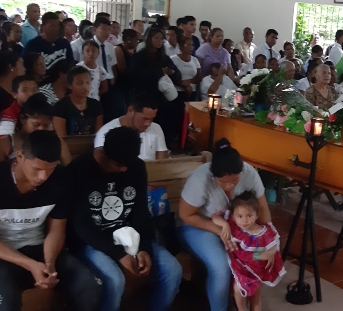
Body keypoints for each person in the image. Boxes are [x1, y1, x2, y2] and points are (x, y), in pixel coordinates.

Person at [0, 130, 101, 311]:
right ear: (20, 156)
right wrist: (30, 265)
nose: (43, 177)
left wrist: (48, 266)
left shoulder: (62, 179)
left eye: (50, 169)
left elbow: (56, 229)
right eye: (37, 169)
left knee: (89, 285)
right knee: (5, 302)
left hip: (41, 250)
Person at [70, 126, 181, 311]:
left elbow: (139, 211)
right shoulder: (79, 170)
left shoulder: (135, 166)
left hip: (130, 235)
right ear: (104, 153)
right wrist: (119, 254)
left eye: (127, 165)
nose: (124, 170)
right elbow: (82, 226)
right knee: (115, 279)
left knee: (173, 270)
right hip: (93, 241)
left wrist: (144, 248)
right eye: (118, 165)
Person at [178, 139, 272, 311]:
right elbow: (186, 215)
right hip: (199, 226)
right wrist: (220, 230)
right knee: (221, 266)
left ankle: (251, 304)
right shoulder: (201, 179)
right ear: (213, 175)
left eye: (235, 180)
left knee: (258, 256)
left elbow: (263, 210)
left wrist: (266, 239)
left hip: (238, 228)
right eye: (222, 182)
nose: (229, 186)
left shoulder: (249, 174)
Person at [211, 190, 284, 311]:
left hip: (257, 272)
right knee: (238, 290)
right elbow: (215, 217)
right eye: (240, 216)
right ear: (233, 216)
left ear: (257, 214)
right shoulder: (234, 227)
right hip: (240, 270)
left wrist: (269, 253)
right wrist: (225, 225)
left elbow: (273, 244)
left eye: (249, 216)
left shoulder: (264, 231)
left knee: (256, 301)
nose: (244, 220)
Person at [0, 94, 71, 164]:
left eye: (46, 125)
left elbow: (68, 171)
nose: (41, 129)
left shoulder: (58, 143)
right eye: (36, 124)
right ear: (23, 119)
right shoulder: (4, 144)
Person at [94, 94, 168, 161]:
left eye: (152, 119)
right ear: (130, 110)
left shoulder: (156, 128)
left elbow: (162, 163)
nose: (148, 123)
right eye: (144, 119)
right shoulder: (106, 132)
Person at [53, 66, 104, 136]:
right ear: (70, 85)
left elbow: (98, 136)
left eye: (88, 82)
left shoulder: (96, 105)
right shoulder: (60, 107)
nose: (85, 87)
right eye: (80, 83)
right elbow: (62, 138)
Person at [172, 35, 201, 100]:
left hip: (192, 92)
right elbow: (172, 77)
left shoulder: (195, 60)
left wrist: (189, 81)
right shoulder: (173, 59)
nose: (191, 47)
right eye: (188, 45)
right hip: (178, 91)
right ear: (181, 46)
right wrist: (184, 86)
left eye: (192, 45)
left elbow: (199, 77)